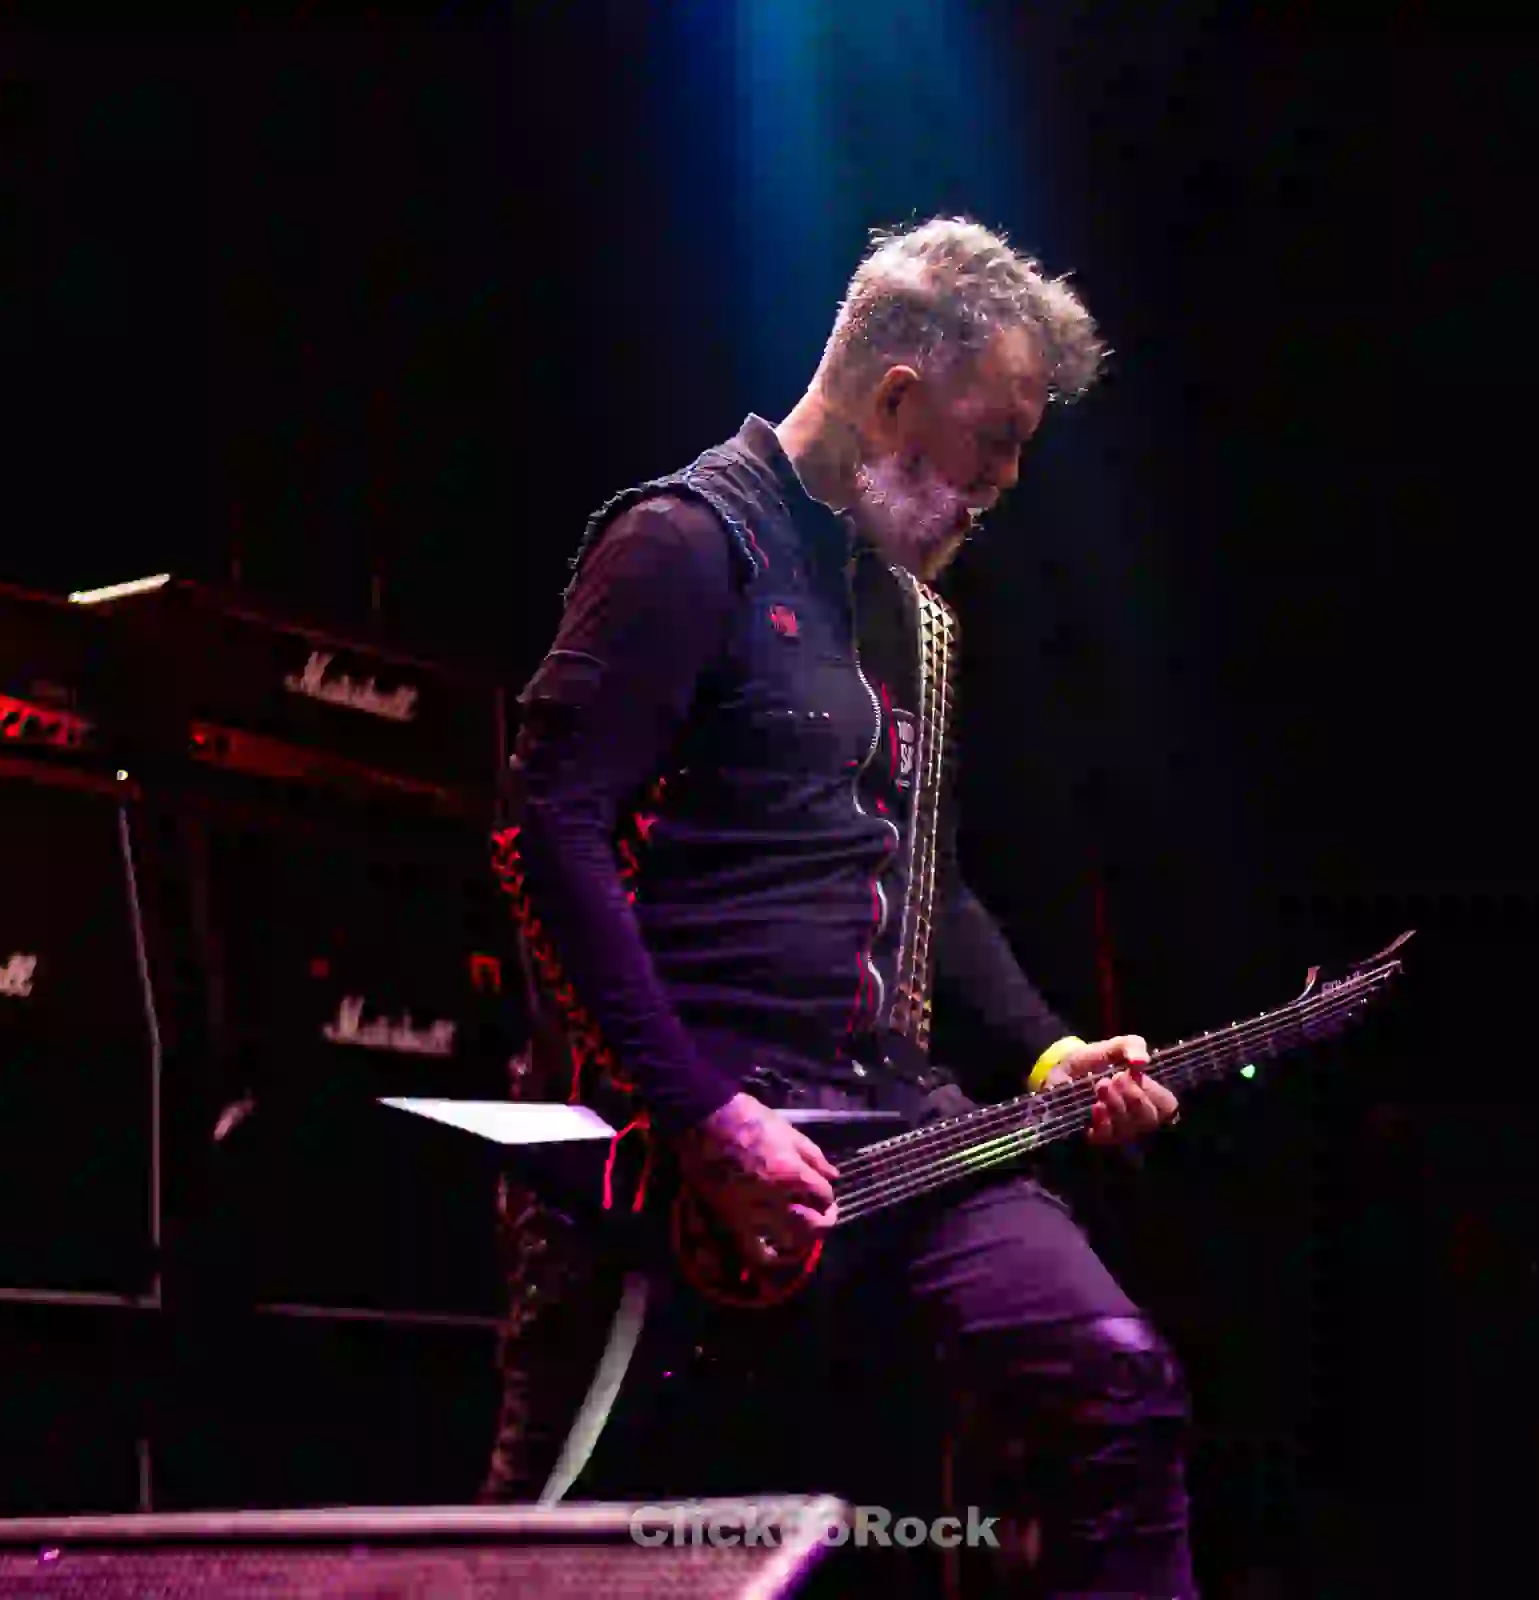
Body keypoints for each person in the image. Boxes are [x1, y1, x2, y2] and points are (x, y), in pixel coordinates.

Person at [478, 217, 1193, 1597]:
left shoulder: (909, 617)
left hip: (888, 1129)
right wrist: (701, 1114)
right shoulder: (685, 544)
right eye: (996, 439)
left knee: (1114, 1381)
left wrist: (1048, 1049)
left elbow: (927, 876)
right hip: (672, 1149)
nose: (1005, 483)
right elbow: (541, 835)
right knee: (556, 1564)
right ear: (896, 398)